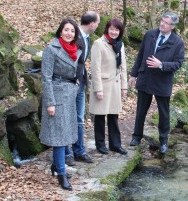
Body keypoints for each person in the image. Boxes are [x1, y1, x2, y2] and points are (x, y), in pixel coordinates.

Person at [128, 12, 185, 154]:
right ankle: (136, 137)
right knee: (141, 110)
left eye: (165, 22)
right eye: (161, 21)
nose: (162, 24)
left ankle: (163, 140)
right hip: (145, 77)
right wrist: (133, 74)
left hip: (163, 81)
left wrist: (161, 64)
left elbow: (178, 64)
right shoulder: (149, 35)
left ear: (172, 26)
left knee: (164, 113)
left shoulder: (178, 43)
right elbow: (140, 55)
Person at [39, 18, 81, 191]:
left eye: (72, 30)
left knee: (66, 133)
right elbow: (46, 77)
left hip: (69, 94)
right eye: (66, 30)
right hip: (56, 96)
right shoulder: (51, 49)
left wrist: (76, 85)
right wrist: (50, 102)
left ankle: (57, 166)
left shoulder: (75, 50)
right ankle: (62, 174)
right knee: (58, 137)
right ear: (60, 31)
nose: (69, 33)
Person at [65, 11, 100, 165]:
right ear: (92, 23)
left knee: (79, 119)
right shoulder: (74, 36)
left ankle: (79, 151)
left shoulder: (86, 38)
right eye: (97, 23)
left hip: (80, 82)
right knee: (67, 118)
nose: (97, 26)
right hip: (70, 84)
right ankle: (67, 154)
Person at [89, 18, 128, 155]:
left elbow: (123, 66)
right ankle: (100, 145)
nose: (114, 32)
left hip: (115, 85)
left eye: (116, 29)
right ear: (107, 29)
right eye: (111, 29)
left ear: (120, 31)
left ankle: (115, 145)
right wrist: (98, 89)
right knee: (100, 117)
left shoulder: (120, 44)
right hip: (103, 85)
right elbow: (95, 68)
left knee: (113, 116)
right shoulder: (98, 44)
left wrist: (124, 86)